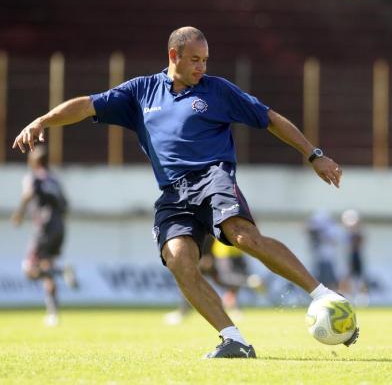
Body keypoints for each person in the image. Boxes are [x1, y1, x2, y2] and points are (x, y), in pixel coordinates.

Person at [12, 26, 358, 356]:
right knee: (179, 259)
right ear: (173, 55)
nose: (202, 67)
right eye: (196, 60)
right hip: (173, 194)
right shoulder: (140, 92)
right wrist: (42, 120)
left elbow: (269, 118)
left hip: (213, 177)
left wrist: (314, 155)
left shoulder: (218, 91)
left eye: (206, 60)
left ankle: (324, 295)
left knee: (242, 236)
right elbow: (87, 104)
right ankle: (233, 339)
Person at [11, 145, 78, 326]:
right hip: (59, 227)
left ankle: (62, 271)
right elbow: (65, 205)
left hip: (43, 227)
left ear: (32, 162)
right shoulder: (55, 180)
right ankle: (53, 314)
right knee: (46, 269)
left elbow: (27, 194)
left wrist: (19, 214)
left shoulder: (32, 177)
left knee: (29, 269)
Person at [307, 210, 341, 290]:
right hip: (319, 258)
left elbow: (334, 241)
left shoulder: (331, 229)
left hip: (328, 258)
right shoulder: (316, 230)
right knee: (318, 278)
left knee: (329, 278)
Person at [340, 209, 368, 304]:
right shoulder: (346, 234)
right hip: (348, 258)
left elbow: (360, 242)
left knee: (359, 278)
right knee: (346, 277)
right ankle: (346, 295)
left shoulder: (359, 233)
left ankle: (362, 297)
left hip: (356, 257)